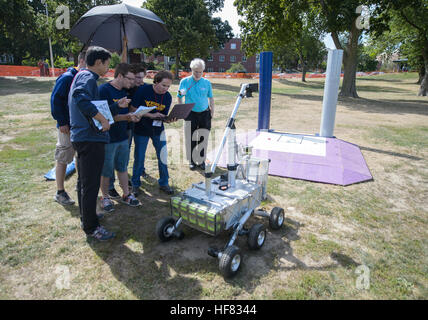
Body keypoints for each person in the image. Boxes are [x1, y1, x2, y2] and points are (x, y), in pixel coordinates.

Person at [69, 46, 130, 241]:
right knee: (91, 184)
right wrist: (103, 121)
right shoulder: (88, 78)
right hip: (89, 139)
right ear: (98, 62)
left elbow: (94, 106)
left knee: (84, 182)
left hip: (83, 137)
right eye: (107, 64)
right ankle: (92, 227)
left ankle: (87, 217)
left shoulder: (83, 76)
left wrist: (114, 107)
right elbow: (80, 98)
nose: (108, 68)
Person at [98, 63, 140, 212]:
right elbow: (102, 117)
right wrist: (126, 117)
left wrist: (131, 117)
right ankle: (105, 197)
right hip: (108, 138)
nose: (132, 83)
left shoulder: (125, 91)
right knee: (106, 170)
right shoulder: (103, 90)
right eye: (130, 79)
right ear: (120, 76)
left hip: (123, 136)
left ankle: (126, 195)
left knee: (122, 167)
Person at [131, 70, 177, 195]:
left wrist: (168, 119)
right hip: (141, 129)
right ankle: (135, 184)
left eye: (168, 86)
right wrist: (151, 115)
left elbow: (163, 115)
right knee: (139, 158)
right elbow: (133, 109)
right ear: (156, 82)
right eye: (163, 85)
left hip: (158, 130)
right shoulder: (143, 90)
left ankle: (164, 183)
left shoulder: (167, 97)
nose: (165, 89)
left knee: (163, 156)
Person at [51, 51, 86, 206]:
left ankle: (81, 185)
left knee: (79, 156)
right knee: (64, 156)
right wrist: (62, 122)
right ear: (83, 61)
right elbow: (55, 101)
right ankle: (60, 192)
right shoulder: (67, 78)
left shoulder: (85, 79)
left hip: (80, 127)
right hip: (67, 126)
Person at [177, 58, 214, 170]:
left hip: (204, 113)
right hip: (190, 113)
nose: (198, 74)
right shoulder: (185, 82)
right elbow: (179, 96)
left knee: (203, 137)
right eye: (195, 71)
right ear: (191, 70)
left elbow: (210, 97)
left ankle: (201, 160)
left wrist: (212, 110)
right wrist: (183, 111)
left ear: (203, 71)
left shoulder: (207, 83)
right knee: (190, 137)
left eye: (200, 71)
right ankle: (192, 161)